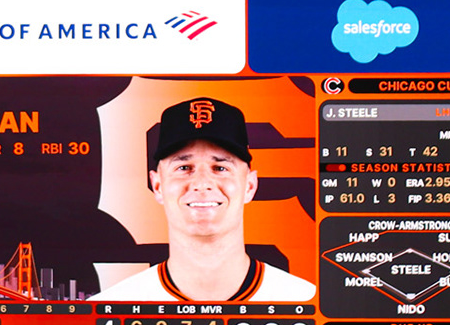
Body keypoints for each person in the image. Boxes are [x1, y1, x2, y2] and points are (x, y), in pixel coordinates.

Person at [92, 97, 316, 302]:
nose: (201, 183)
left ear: (250, 186)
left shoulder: (305, 303)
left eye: (220, 167)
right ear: (157, 185)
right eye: (184, 167)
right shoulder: (111, 309)